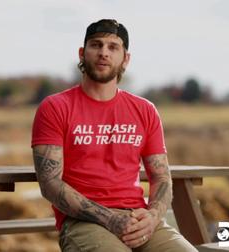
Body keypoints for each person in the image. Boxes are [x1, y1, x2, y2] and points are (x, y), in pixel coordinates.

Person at [31, 19, 197, 251]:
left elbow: (161, 177)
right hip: (84, 222)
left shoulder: (144, 110)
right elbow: (49, 183)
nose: (103, 53)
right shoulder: (56, 107)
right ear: (82, 53)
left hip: (138, 218)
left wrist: (153, 217)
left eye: (113, 47)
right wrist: (109, 218)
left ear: (125, 59)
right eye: (96, 45)